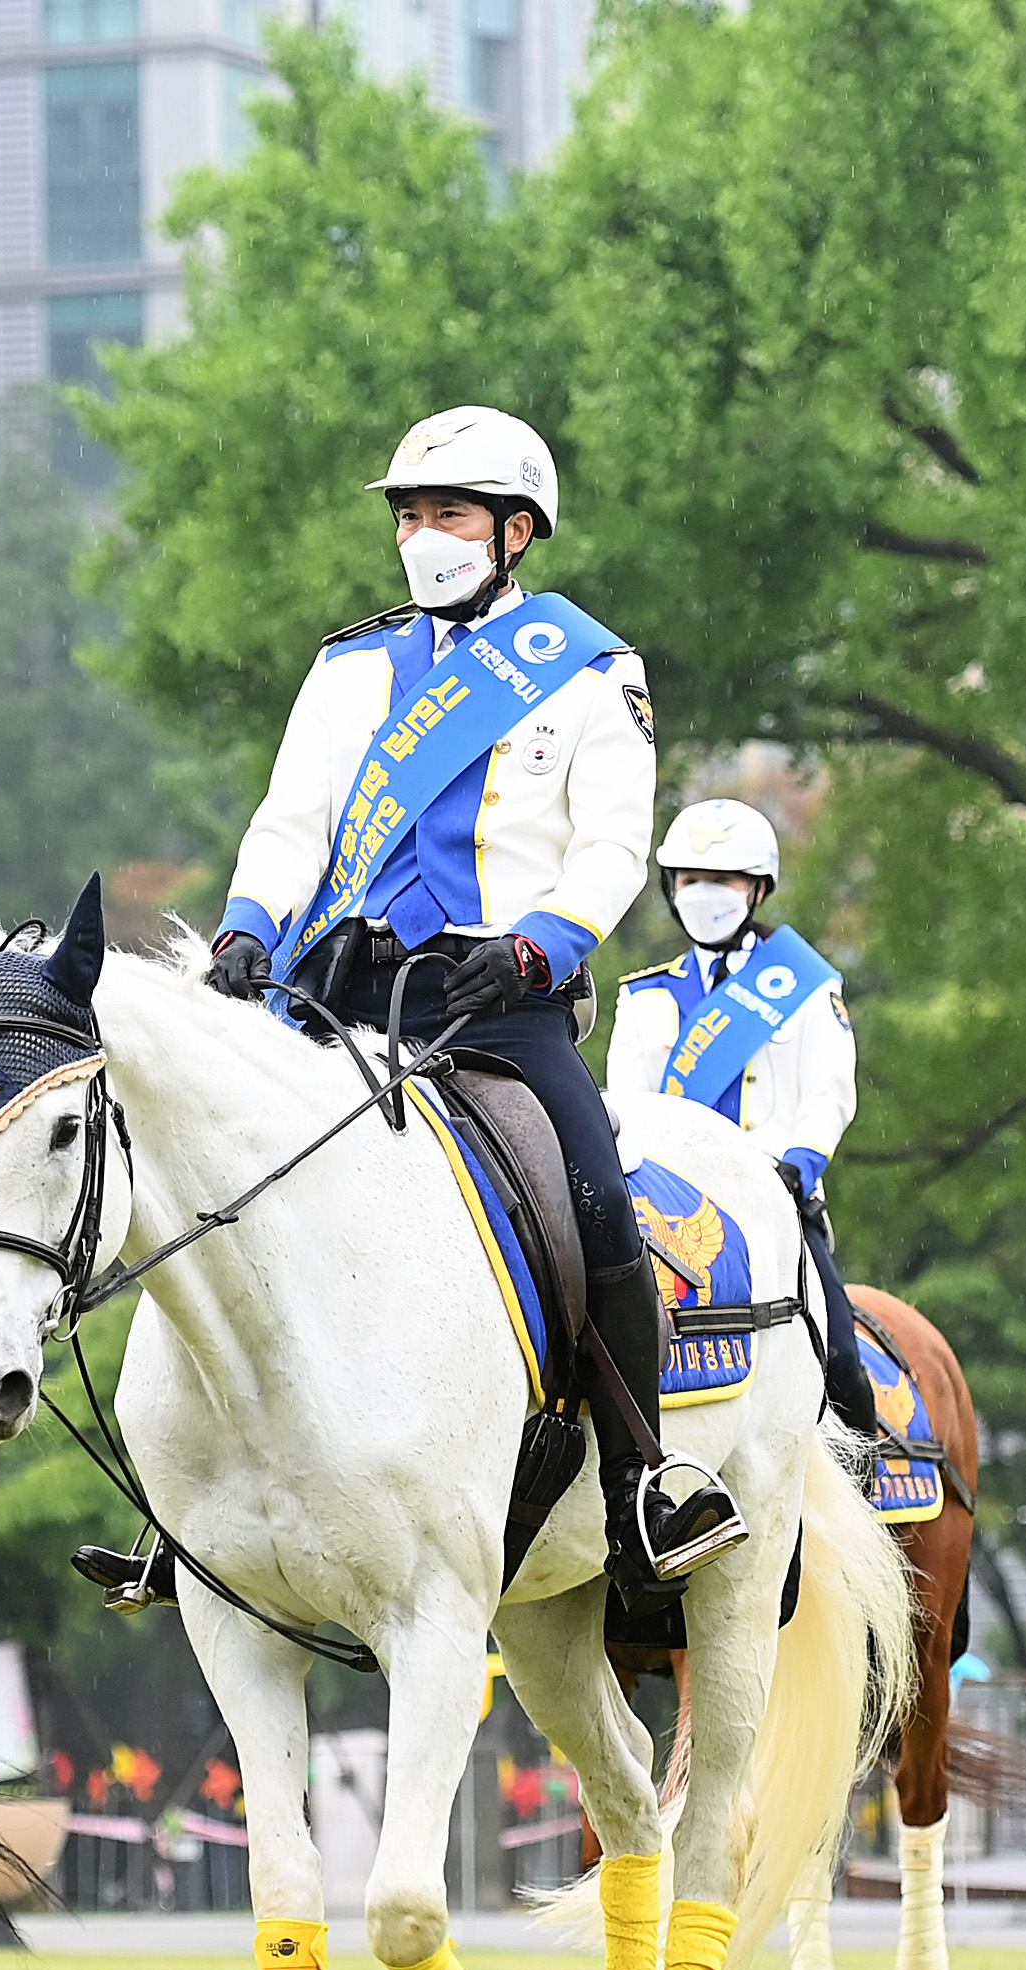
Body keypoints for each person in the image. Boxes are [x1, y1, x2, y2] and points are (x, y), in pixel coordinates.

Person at [192, 404, 742, 1602]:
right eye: (408, 515)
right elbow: (289, 825)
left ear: (514, 532)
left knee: (596, 1200)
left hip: (496, 1003)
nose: (421, 536)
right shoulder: (347, 669)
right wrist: (244, 926)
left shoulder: (591, 673)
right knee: (212, 1183)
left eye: (445, 514)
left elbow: (610, 847)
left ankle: (640, 1480)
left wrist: (542, 947)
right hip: (339, 993)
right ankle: (195, 1493)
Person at [605, 797, 876, 1437]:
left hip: (777, 1204)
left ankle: (863, 1507)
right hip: (675, 1214)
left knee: (841, 1364)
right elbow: (628, 1106)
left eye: (722, 880)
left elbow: (829, 1093)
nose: (704, 894)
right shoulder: (643, 998)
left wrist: (798, 1165)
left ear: (756, 889)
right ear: (671, 889)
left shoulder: (803, 985)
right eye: (690, 880)